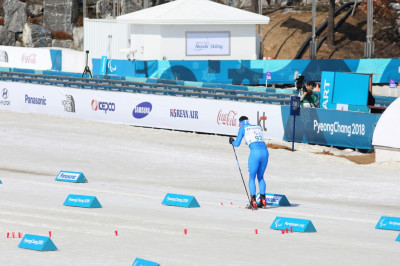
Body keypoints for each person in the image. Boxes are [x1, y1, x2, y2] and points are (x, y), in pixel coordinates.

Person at [229, 116, 269, 209]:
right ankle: (263, 199)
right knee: (261, 177)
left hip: (255, 153)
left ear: (241, 123)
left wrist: (232, 141)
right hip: (265, 152)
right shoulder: (257, 126)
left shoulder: (242, 128)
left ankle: (253, 201)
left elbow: (237, 144)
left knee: (252, 178)